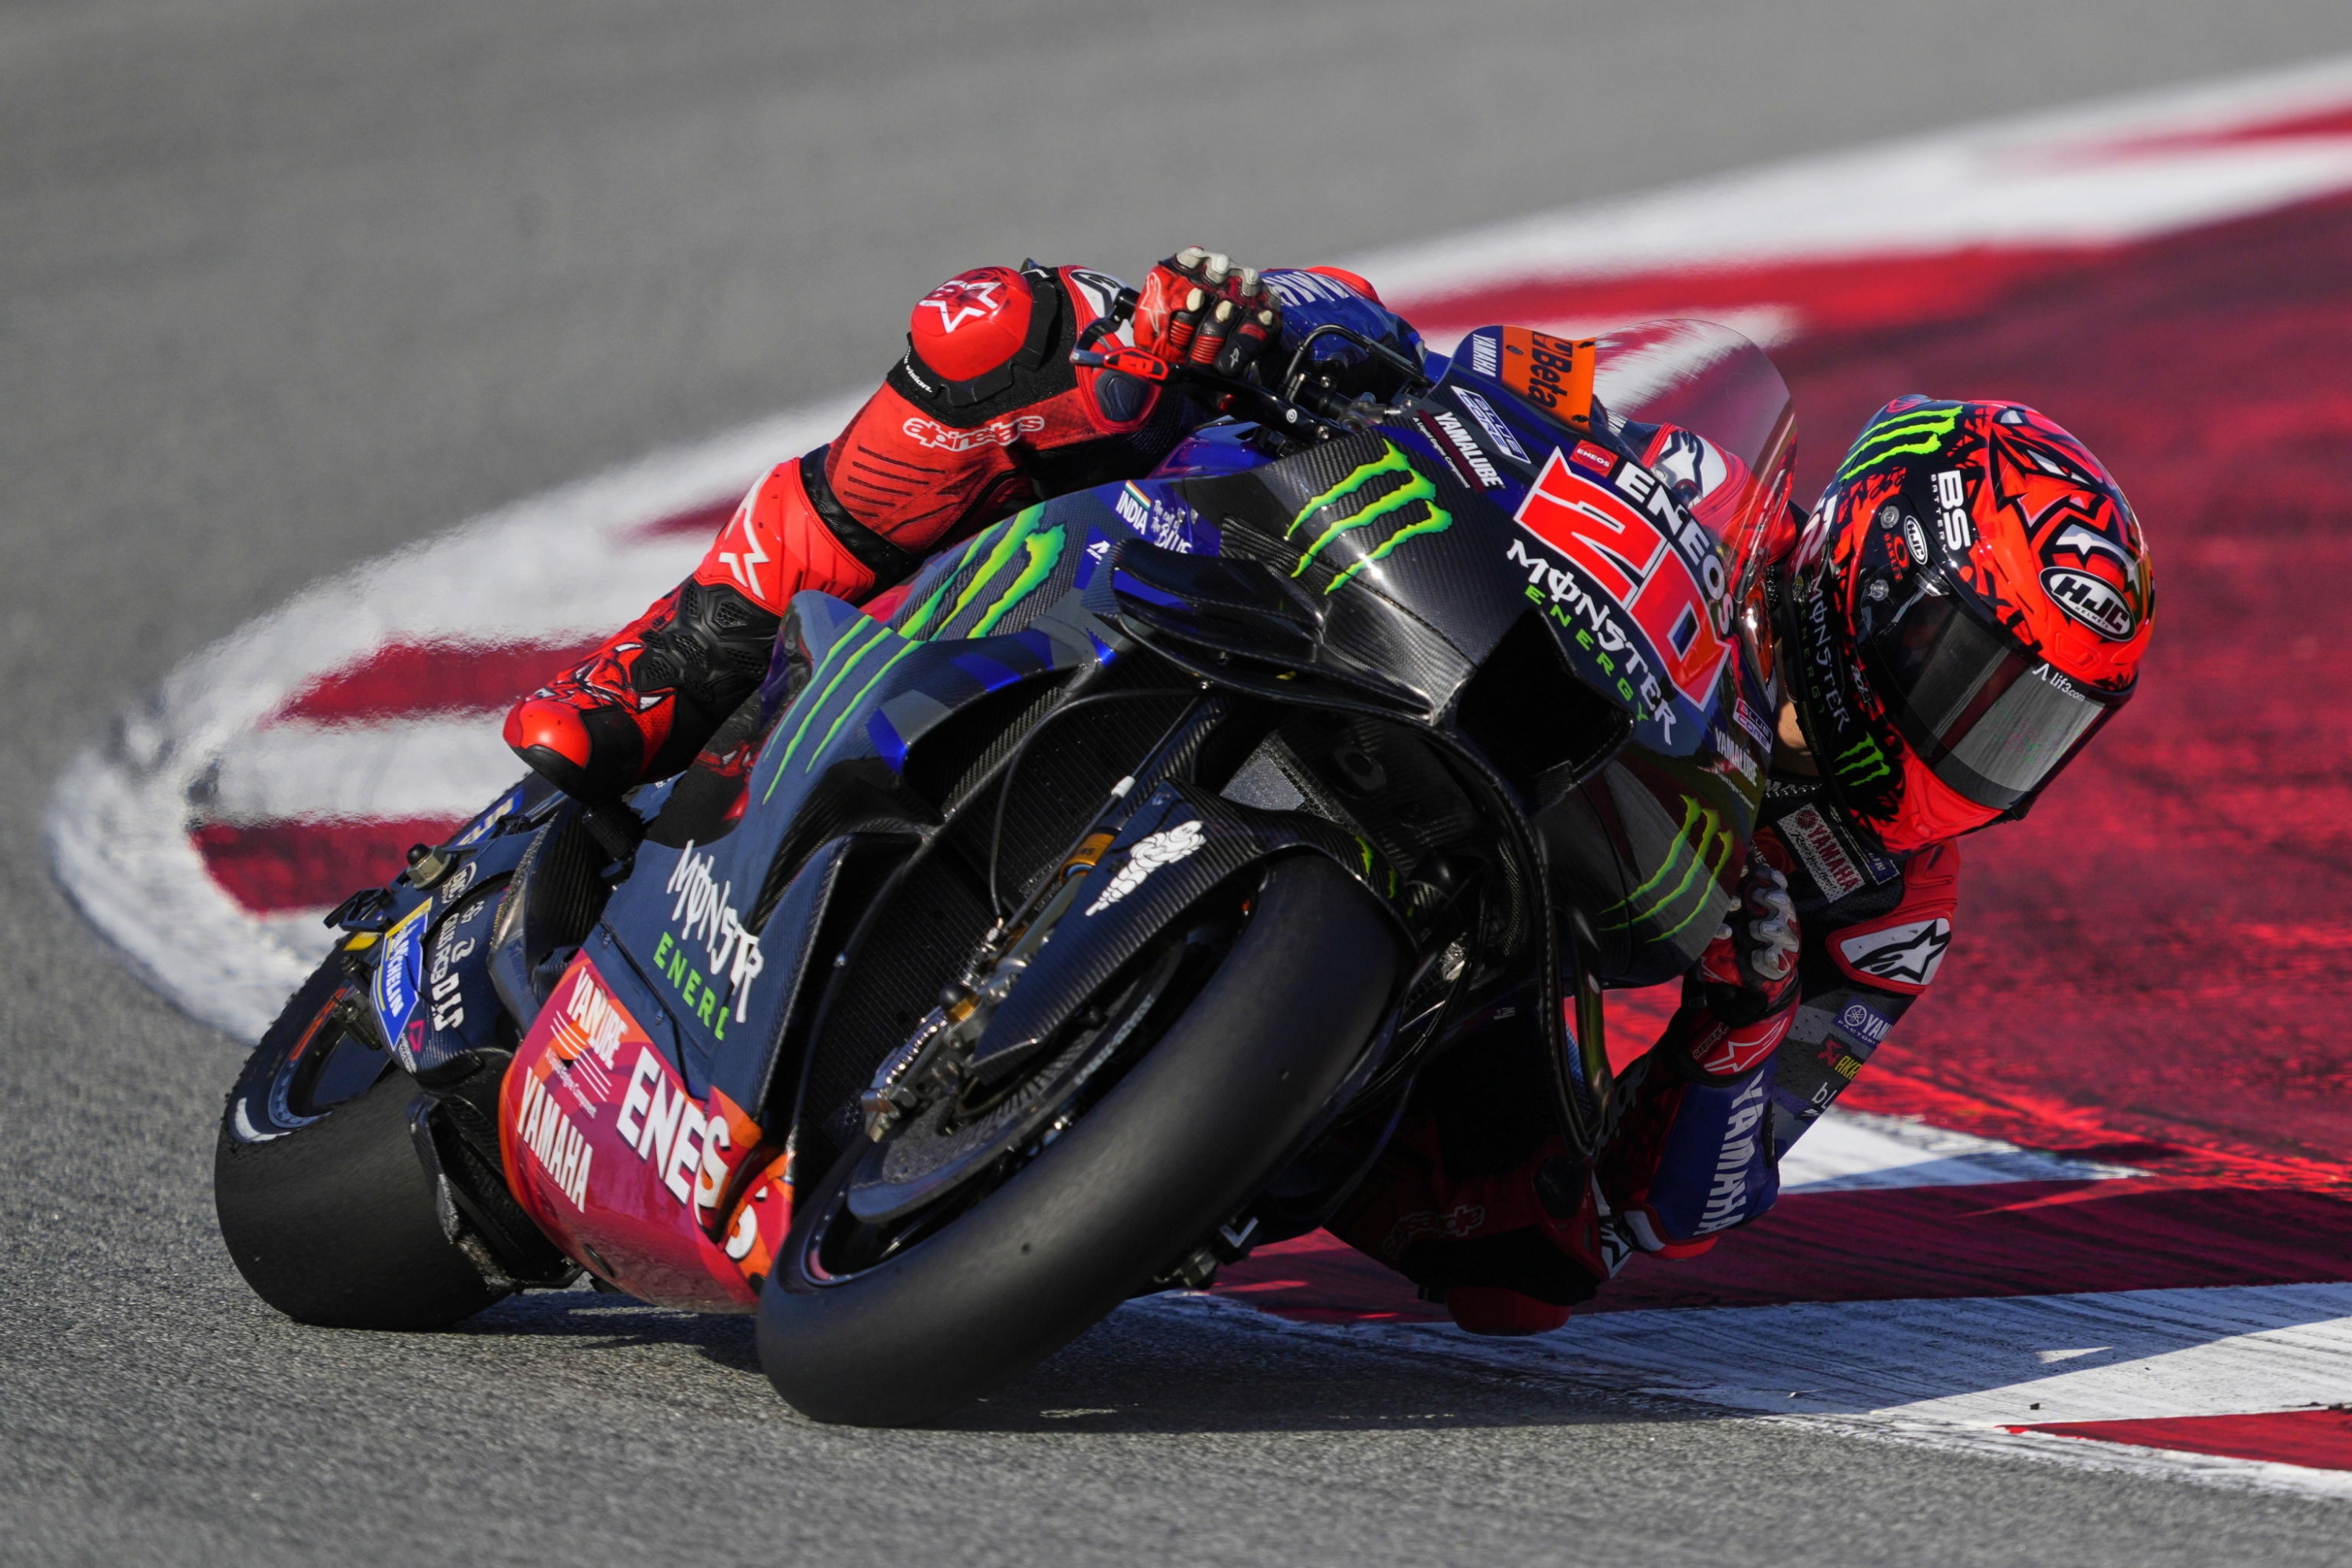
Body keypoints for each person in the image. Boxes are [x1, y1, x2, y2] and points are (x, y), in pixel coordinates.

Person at [503, 249, 2155, 1336]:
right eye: (1966, 682)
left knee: (1533, 1274)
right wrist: (1304, 324)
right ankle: (687, 650)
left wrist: (1735, 1027)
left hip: (1493, 946)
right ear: (1864, 568)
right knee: (1026, 332)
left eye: (2024, 733)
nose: (1965, 752)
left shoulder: (1885, 901)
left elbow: (1685, 1208)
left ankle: (1170, 1131)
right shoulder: (1692, 470)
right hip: (1341, 629)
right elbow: (1470, 370)